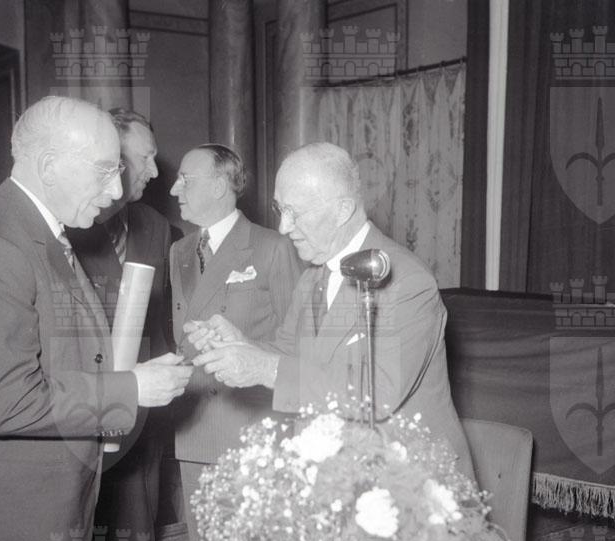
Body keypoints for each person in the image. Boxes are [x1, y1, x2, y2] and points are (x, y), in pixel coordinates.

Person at [0, 96, 193, 541]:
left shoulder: (41, 231)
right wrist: (130, 388)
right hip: (13, 536)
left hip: (48, 515)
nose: (117, 190)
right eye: (104, 170)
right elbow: (8, 403)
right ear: (50, 166)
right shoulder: (0, 244)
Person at [190, 141, 474, 478]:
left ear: (343, 210)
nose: (283, 227)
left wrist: (265, 368)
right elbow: (290, 353)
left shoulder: (406, 281)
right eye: (280, 209)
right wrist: (241, 345)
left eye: (295, 212)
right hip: (336, 472)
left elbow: (377, 392)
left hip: (409, 481)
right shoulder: (315, 275)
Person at [169, 143, 303, 541]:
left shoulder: (272, 247)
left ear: (222, 184)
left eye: (186, 179)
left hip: (253, 429)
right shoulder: (180, 251)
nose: (174, 188)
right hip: (195, 423)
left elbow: (298, 345)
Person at [67, 108, 170, 541]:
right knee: (79, 529)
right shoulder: (71, 223)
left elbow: (162, 314)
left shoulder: (155, 225)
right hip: (82, 397)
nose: (154, 170)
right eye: (145, 158)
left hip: (142, 402)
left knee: (135, 522)